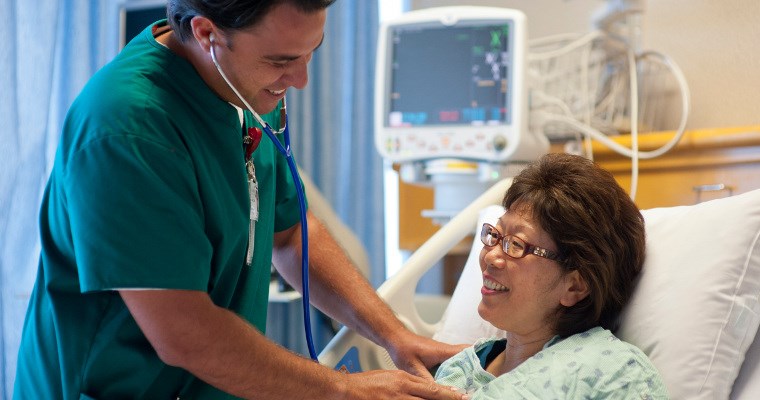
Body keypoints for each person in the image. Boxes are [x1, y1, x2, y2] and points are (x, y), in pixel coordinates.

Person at [13, 1, 469, 399]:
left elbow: (290, 233)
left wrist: (395, 337)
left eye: (313, 51)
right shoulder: (126, 130)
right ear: (207, 33)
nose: (301, 79)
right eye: (281, 61)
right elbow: (184, 332)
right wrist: (343, 387)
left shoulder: (234, 89)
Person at [434, 153, 669, 399]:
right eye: (496, 234)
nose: (491, 256)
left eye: (516, 244)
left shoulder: (613, 374)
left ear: (575, 287)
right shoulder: (460, 368)